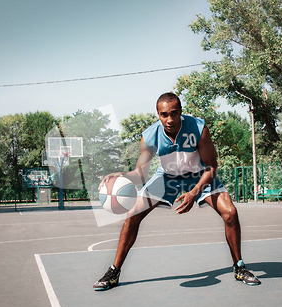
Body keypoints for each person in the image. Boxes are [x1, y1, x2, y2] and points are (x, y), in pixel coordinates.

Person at [93, 92, 260, 290]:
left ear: (181, 111)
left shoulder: (198, 128)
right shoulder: (149, 136)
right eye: (164, 115)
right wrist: (120, 176)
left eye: (174, 113)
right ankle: (114, 272)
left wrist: (194, 192)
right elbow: (140, 174)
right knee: (132, 215)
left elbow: (212, 167)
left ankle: (239, 266)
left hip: (199, 175)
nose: (170, 119)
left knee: (230, 212)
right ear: (158, 114)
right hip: (166, 177)